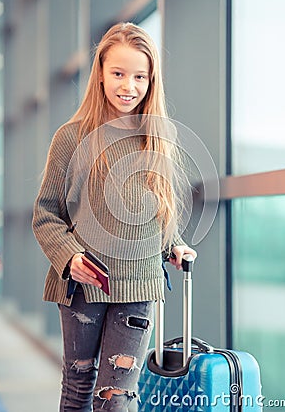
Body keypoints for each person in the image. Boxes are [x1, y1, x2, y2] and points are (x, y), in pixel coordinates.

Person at [32, 22, 197, 412]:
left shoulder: (160, 136)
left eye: (140, 76)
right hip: (84, 286)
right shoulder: (71, 138)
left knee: (118, 399)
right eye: (118, 74)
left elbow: (153, 208)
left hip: (139, 285)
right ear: (101, 74)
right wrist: (70, 258)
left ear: (151, 80)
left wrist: (172, 244)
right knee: (78, 390)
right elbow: (46, 214)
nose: (129, 86)